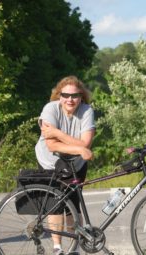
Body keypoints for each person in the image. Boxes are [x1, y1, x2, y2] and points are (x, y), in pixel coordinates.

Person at [35, 75, 95, 255]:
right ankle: (57, 248)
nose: (70, 99)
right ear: (59, 96)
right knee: (55, 204)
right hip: (50, 161)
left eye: (75, 95)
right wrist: (79, 148)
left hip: (76, 164)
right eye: (66, 95)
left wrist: (56, 132)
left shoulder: (86, 111)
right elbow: (51, 145)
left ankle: (74, 246)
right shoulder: (50, 109)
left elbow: (85, 143)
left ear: (81, 96)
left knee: (74, 205)